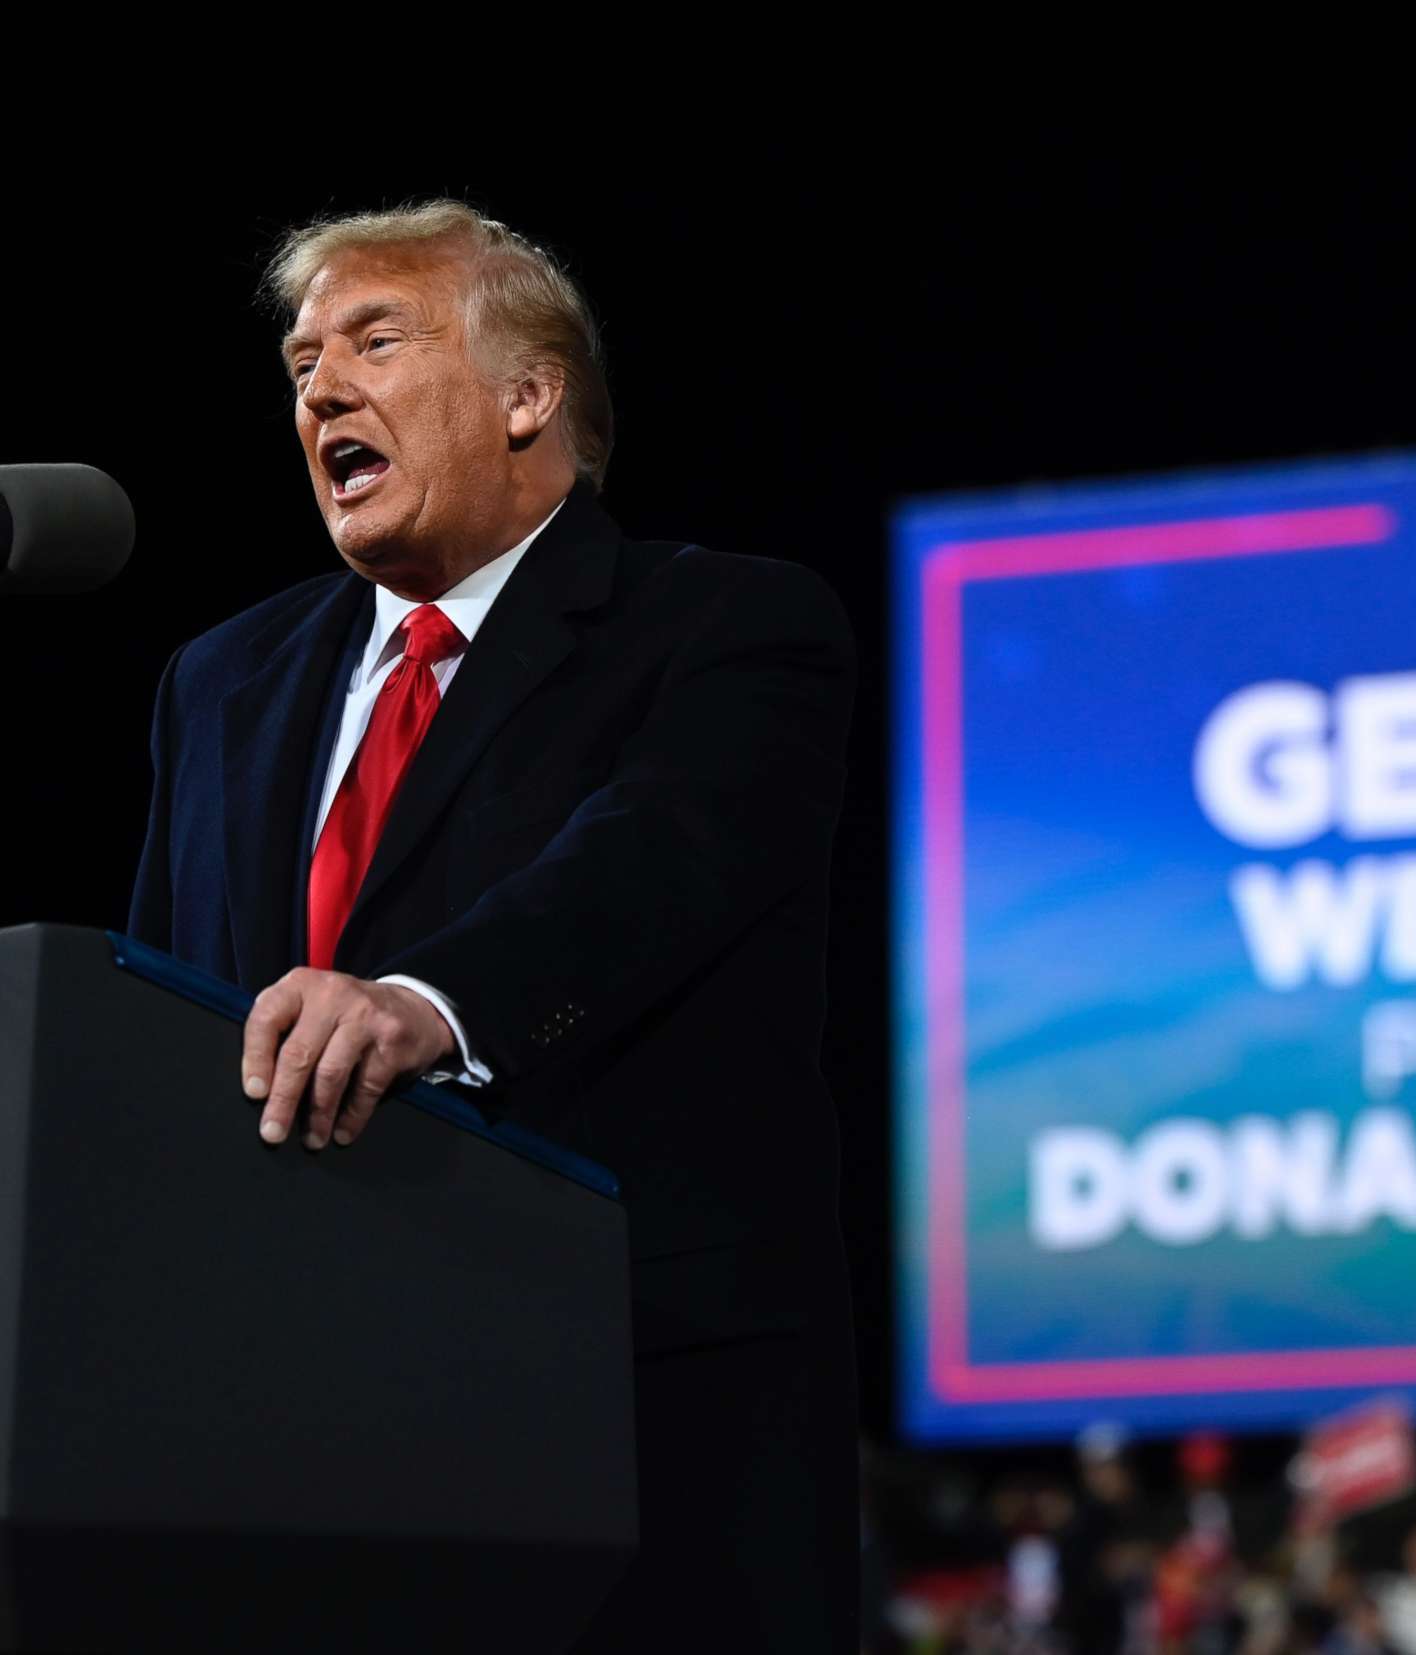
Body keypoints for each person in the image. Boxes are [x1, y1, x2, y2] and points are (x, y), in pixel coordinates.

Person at [127, 200, 858, 1646]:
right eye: (298, 365)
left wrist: (425, 1003)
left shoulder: (729, 626)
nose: (319, 388)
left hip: (627, 1418)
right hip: (280, 1430)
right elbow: (159, 1002)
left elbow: (650, 864)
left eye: (374, 341)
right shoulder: (220, 681)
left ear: (527, 396)